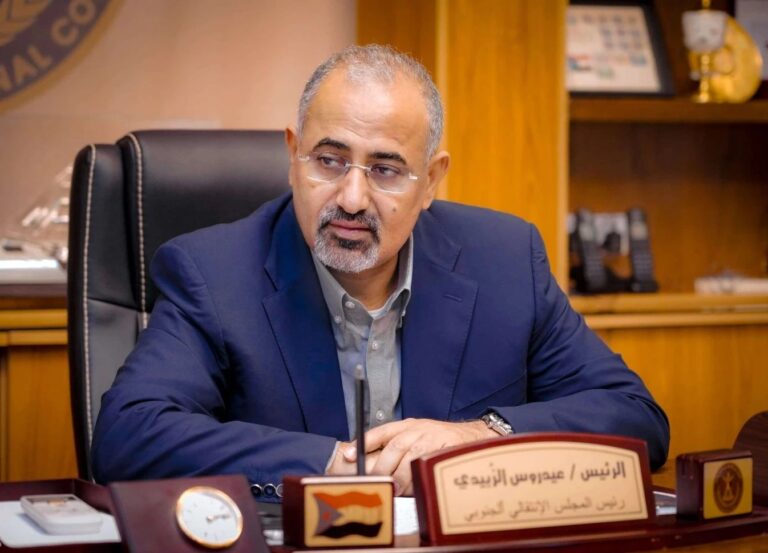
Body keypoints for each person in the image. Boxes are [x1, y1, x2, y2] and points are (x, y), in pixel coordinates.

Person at [91, 45, 669, 499]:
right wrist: (338, 465)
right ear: (293, 155)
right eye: (329, 160)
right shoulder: (214, 274)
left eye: (386, 170)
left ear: (431, 181)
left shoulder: (505, 260)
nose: (351, 197)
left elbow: (636, 418)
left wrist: (482, 436)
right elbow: (128, 436)